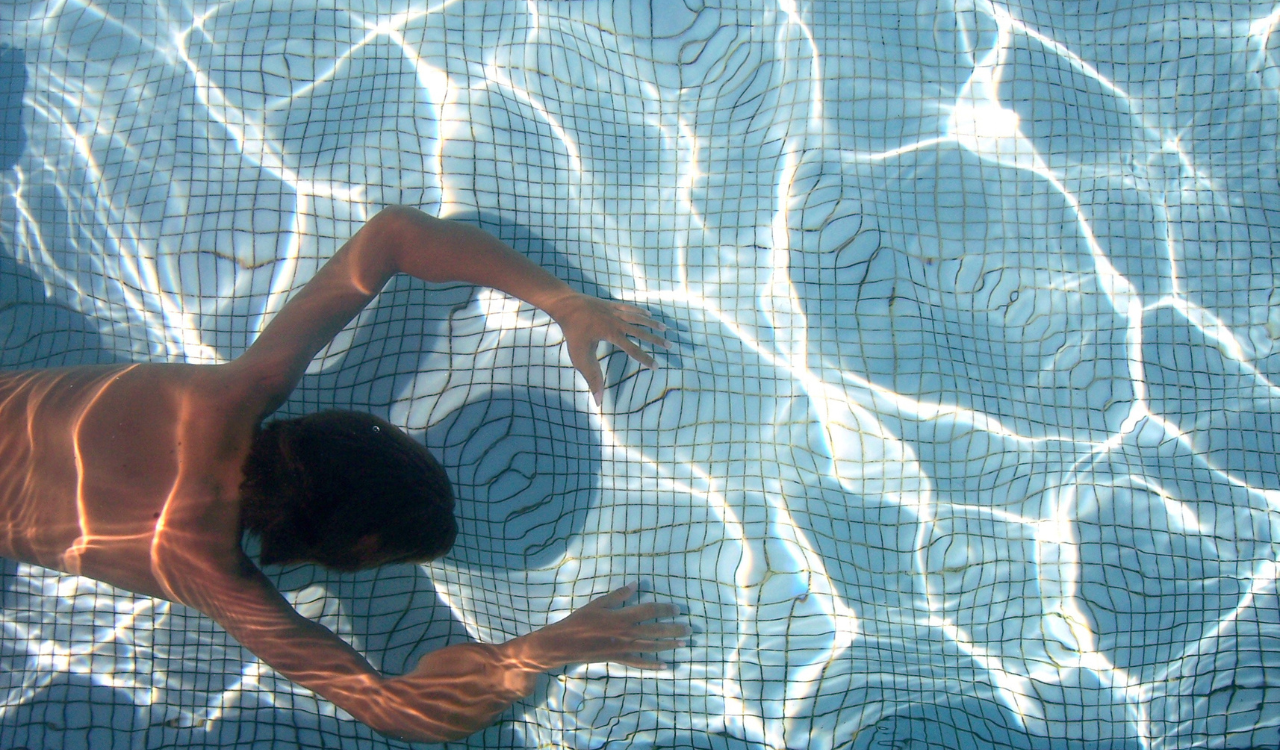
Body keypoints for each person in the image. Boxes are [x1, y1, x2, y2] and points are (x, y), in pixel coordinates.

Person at [0, 206, 687, 742]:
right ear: (354, 554)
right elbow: (400, 712)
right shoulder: (207, 570)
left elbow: (392, 236)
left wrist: (562, 300)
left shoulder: (239, 391)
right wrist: (534, 652)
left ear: (331, 427)